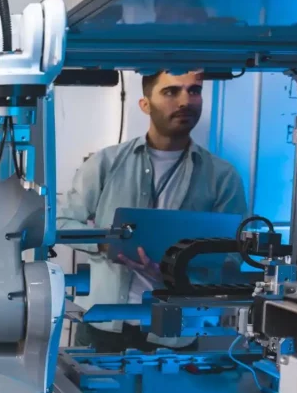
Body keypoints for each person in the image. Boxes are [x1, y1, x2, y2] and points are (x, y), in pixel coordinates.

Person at [57, 70, 248, 353]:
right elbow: (60, 224)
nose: (185, 101)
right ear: (145, 104)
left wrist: (176, 271)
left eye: (194, 91)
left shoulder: (221, 176)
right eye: (171, 92)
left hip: (176, 330)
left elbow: (233, 255)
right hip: (104, 324)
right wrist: (105, 242)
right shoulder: (106, 163)